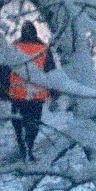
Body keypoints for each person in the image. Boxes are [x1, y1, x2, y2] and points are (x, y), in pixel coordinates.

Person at [8, 21, 56, 161]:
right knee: (33, 124)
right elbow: (50, 71)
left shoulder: (14, 47)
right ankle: (29, 146)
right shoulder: (43, 49)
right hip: (37, 96)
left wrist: (3, 89)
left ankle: (22, 146)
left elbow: (4, 70)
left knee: (18, 123)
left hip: (17, 96)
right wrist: (53, 92)